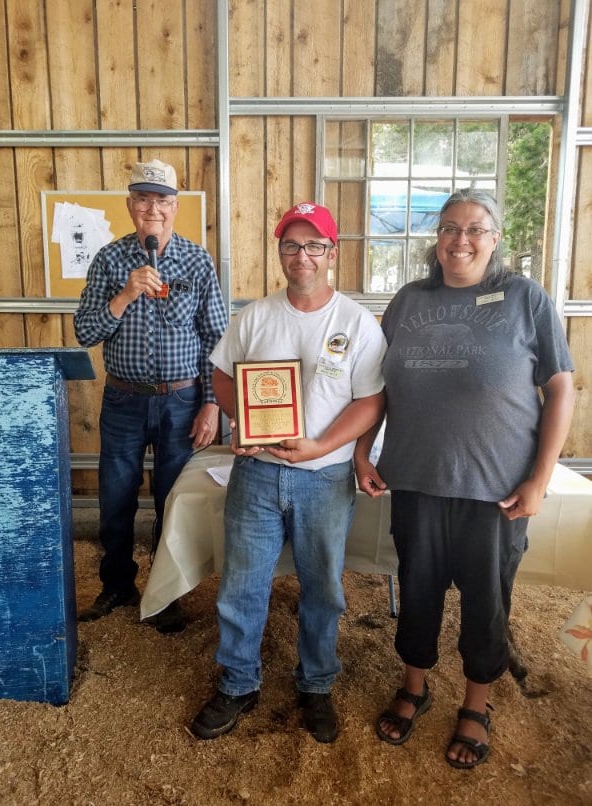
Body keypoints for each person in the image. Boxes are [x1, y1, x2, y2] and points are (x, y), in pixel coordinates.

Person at [354, 189, 575, 769]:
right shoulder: (407, 301)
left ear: (495, 238)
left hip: (496, 489)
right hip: (419, 480)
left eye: (475, 228)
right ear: (437, 239)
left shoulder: (526, 299)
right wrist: (360, 449)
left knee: (487, 602)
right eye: (450, 228)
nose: (461, 239)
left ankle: (477, 703)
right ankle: (415, 684)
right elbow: (375, 388)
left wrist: (540, 479)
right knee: (418, 589)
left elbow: (561, 389)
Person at [189, 202, 387, 743]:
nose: (302, 256)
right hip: (255, 476)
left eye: (314, 245)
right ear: (280, 252)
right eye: (291, 245)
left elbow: (371, 401)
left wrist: (322, 444)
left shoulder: (356, 322)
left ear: (332, 252)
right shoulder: (255, 316)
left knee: (323, 588)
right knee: (241, 585)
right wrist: (241, 423)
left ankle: (316, 684)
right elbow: (222, 375)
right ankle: (238, 682)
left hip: (325, 477)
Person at [74, 159, 227, 632]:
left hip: (182, 402)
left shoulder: (198, 261)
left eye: (162, 199)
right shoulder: (109, 260)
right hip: (123, 400)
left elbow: (216, 340)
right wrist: (123, 296)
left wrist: (212, 403)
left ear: (175, 206)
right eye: (143, 198)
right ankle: (117, 585)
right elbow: (84, 331)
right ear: (130, 206)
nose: (153, 208)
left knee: (171, 500)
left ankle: (165, 593)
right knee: (115, 499)